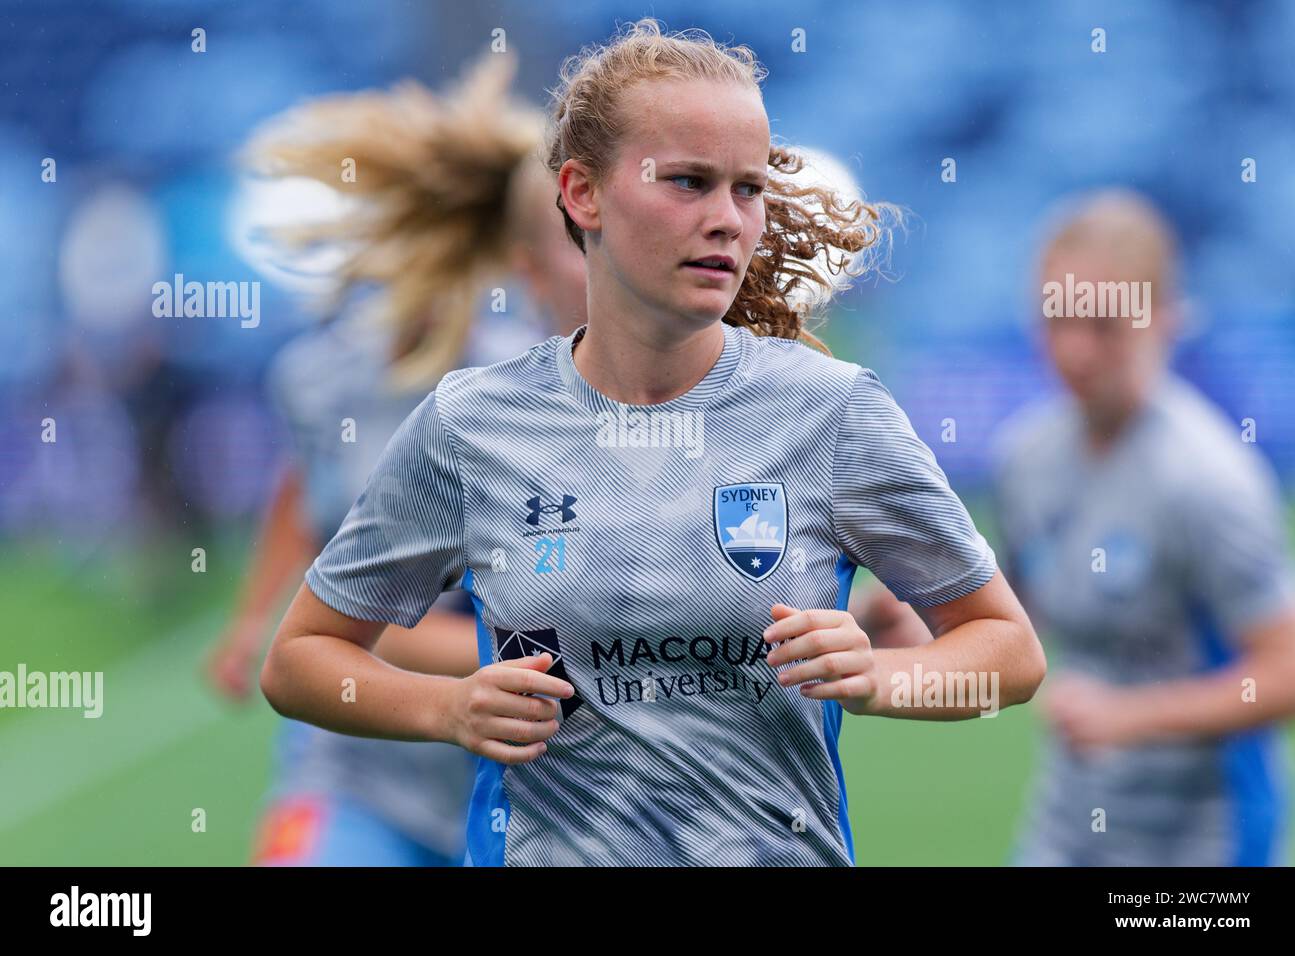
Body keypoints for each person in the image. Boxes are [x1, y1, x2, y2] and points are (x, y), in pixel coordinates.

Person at [261, 19, 1045, 867]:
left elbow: (1009, 653)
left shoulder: (833, 412)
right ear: (582, 194)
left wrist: (881, 679)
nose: (727, 221)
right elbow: (302, 658)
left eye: (747, 189)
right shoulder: (471, 425)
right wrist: (447, 710)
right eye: (688, 182)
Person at [205, 52, 587, 865]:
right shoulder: (320, 379)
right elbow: (314, 500)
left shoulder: (520, 384)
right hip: (359, 779)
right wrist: (250, 621)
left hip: (519, 796)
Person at [988, 189, 1295, 866]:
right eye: (1057, 318)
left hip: (1203, 845)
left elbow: (1289, 672)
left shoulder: (1207, 479)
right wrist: (914, 620)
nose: (1074, 350)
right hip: (1067, 830)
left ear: (1164, 320)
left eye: (1103, 325)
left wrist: (1131, 716)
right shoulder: (1028, 457)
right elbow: (1016, 603)